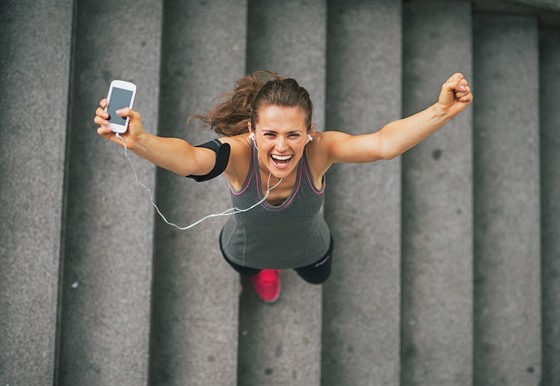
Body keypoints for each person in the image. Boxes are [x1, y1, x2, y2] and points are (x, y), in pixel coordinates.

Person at [95, 71, 473, 304]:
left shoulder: (320, 151)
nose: (282, 146)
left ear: (309, 132)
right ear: (251, 132)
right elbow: (192, 159)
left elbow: (383, 144)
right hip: (245, 249)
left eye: (294, 134)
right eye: (270, 134)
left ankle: (277, 267)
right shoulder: (238, 154)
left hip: (312, 248)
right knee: (252, 268)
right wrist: (140, 141)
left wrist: (440, 111)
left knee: (317, 277)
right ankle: (265, 270)